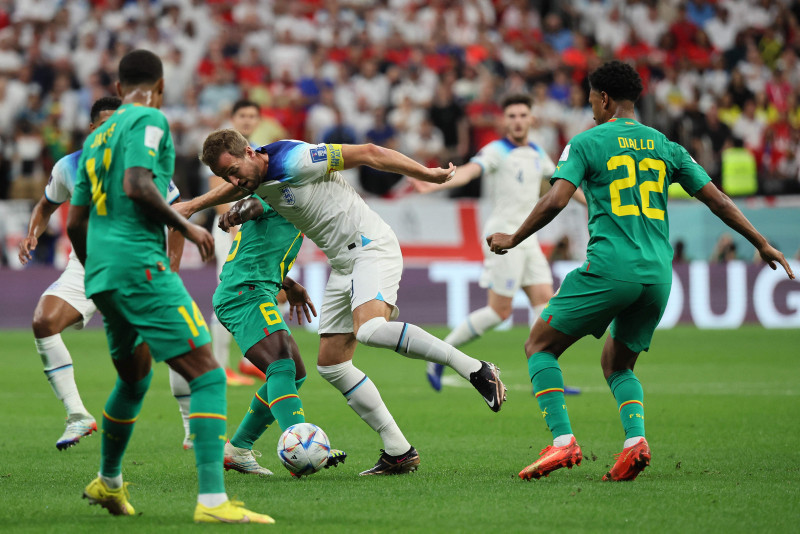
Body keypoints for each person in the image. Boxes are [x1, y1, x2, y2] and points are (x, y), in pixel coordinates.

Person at [486, 60, 794, 482]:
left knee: (539, 345)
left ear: (605, 98)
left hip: (611, 268)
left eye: (592, 98)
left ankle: (562, 442)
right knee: (618, 365)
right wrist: (760, 241)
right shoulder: (667, 146)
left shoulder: (587, 142)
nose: (590, 106)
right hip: (658, 276)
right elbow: (717, 199)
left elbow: (556, 200)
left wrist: (513, 238)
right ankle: (634, 443)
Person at [180, 133, 507, 476]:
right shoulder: (253, 178)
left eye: (234, 171)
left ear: (250, 152)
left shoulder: (297, 159)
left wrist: (427, 174)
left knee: (369, 330)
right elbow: (237, 190)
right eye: (227, 177)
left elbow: (369, 152)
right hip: (342, 263)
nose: (235, 181)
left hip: (369, 247)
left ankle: (476, 368)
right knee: (332, 365)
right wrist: (191, 206)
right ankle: (399, 450)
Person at [66, 49, 273, 523]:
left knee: (134, 378)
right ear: (158, 88)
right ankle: (213, 502)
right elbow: (140, 183)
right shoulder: (149, 120)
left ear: (117, 89)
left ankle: (109, 482)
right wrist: (188, 228)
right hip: (140, 267)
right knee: (208, 373)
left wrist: (96, 271)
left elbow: (76, 220)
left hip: (102, 273)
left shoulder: (96, 138)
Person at [18, 96, 185, 450]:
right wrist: (33, 231)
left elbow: (177, 216)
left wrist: (171, 267)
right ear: (92, 128)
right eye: (106, 124)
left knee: (159, 355)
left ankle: (192, 428)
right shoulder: (70, 166)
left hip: (138, 263)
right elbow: (46, 204)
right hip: (88, 263)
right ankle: (77, 414)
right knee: (44, 322)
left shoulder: (144, 165)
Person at [413, 94, 584, 394]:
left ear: (532, 119)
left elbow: (564, 186)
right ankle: (440, 355)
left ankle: (544, 377)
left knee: (545, 304)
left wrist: (597, 205)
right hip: (502, 237)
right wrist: (438, 180)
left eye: (522, 115)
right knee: (500, 311)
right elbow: (469, 171)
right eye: (512, 116)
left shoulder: (536, 153)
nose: (517, 120)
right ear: (505, 121)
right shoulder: (496, 150)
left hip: (528, 238)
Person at [213, 195, 347, 475]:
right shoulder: (280, 193)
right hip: (245, 293)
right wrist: (236, 212)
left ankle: (238, 448)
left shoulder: (295, 208)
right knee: (282, 365)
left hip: (254, 290)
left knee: (294, 374)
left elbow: (260, 253)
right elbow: (254, 206)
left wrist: (290, 284)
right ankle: (302, 445)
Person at [206, 99, 264, 386]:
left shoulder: (257, 150)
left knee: (263, 290)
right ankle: (219, 366)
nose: (248, 120)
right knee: (228, 294)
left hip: (252, 231)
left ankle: (246, 361)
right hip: (230, 232)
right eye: (243, 115)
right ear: (232, 117)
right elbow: (217, 192)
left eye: (253, 116)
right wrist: (234, 230)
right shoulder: (223, 150)